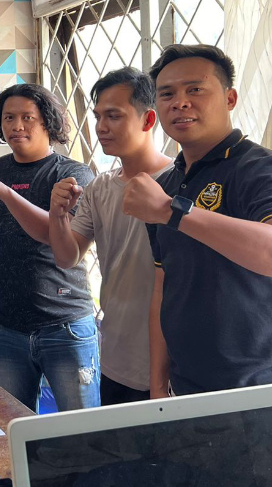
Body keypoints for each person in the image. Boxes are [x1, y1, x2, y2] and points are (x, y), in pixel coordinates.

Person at [122, 44, 272, 397]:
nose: (180, 102)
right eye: (167, 94)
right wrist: (158, 386)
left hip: (263, 389)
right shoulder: (167, 184)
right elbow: (164, 285)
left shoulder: (261, 168)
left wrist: (173, 211)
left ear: (230, 98)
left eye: (196, 89)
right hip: (186, 387)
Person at [0, 83, 99, 412]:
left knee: (82, 430)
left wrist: (5, 193)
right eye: (8, 118)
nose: (16, 126)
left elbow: (53, 235)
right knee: (13, 426)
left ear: (48, 122)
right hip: (6, 328)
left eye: (27, 117)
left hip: (65, 324)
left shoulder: (72, 174)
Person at [48, 67, 172, 405]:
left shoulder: (179, 182)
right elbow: (67, 256)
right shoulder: (100, 186)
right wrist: (57, 214)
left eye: (114, 116)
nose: (101, 127)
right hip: (117, 354)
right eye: (98, 116)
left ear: (148, 120)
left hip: (171, 360)